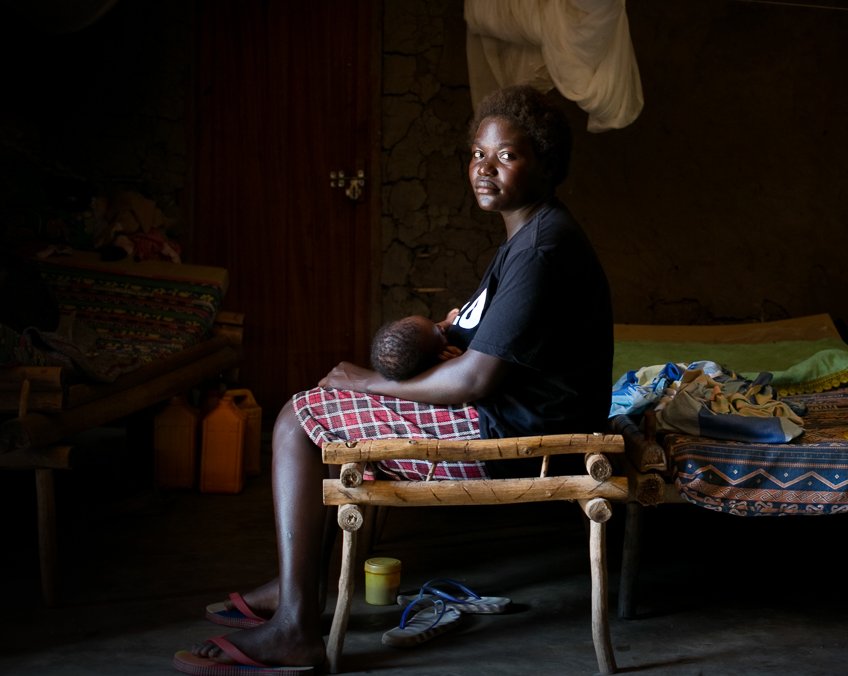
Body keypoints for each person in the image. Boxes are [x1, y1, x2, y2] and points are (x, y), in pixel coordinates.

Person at [180, 85, 613, 672]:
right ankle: (295, 587)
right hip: (506, 411)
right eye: (477, 154)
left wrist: (366, 385)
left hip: (509, 434)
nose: (484, 169)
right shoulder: (528, 237)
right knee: (319, 408)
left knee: (297, 419)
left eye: (506, 156)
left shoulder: (540, 249)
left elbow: (473, 382)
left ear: (546, 163)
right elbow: (469, 336)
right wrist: (431, 340)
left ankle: (295, 626)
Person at [370, 313, 463, 382]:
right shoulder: (441, 377)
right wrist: (459, 362)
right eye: (440, 335)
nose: (441, 328)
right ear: (441, 355)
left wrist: (447, 322)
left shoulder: (425, 342)